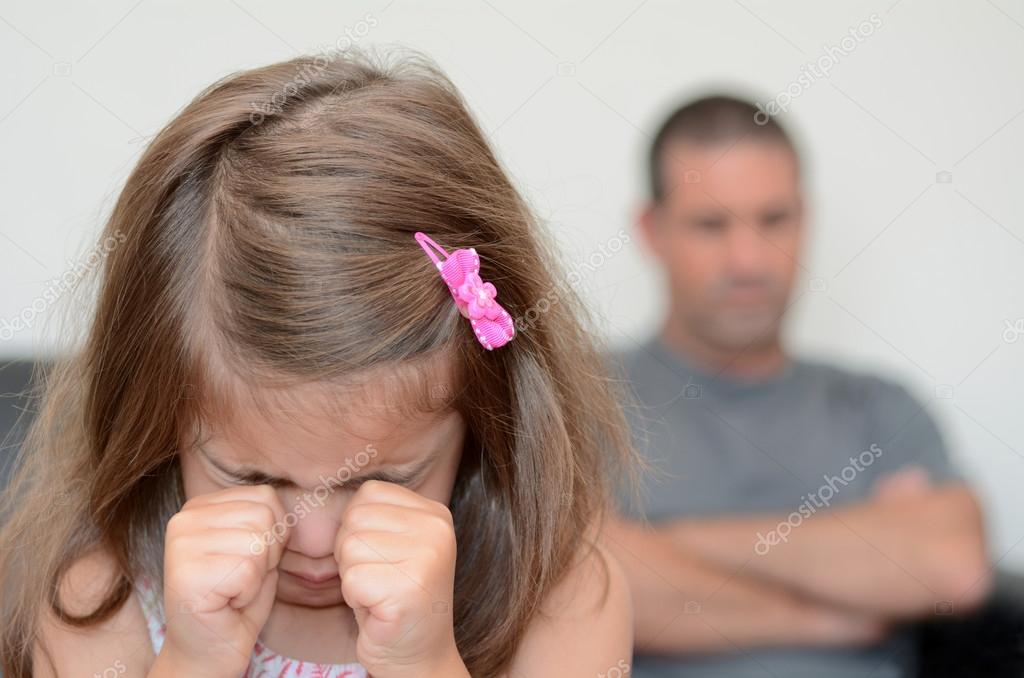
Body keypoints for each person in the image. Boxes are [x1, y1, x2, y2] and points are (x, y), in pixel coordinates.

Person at [0, 50, 637, 678]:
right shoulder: (98, 606)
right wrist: (196, 661)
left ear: (486, 424)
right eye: (250, 477)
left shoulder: (560, 602)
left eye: (380, 478)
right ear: (153, 421)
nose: (312, 539)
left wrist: (423, 663)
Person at [602, 95, 990, 678]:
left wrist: (655, 542)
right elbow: (574, 584)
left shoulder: (879, 407)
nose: (748, 259)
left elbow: (953, 565)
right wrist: (836, 611)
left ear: (805, 218)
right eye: (711, 225)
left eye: (773, 219)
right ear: (652, 231)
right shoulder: (576, 399)